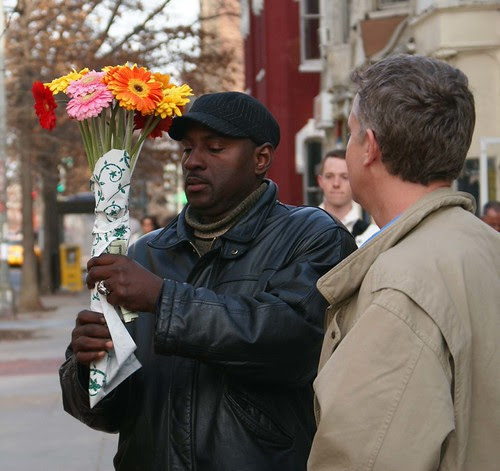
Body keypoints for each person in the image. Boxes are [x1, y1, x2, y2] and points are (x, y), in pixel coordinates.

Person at [59, 91, 357, 470]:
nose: (193, 161)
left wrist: (163, 300)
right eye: (187, 149)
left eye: (214, 148)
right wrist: (90, 365)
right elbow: (108, 415)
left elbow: (295, 343)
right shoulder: (146, 252)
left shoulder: (312, 235)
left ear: (261, 159)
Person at [308, 55, 500, 470]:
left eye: (352, 134)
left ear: (370, 148)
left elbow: (367, 456)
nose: (350, 147)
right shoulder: (486, 244)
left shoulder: (400, 283)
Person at [316, 149, 378, 245]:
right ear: (320, 181)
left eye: (344, 177)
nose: (336, 184)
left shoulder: (372, 234)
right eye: (329, 176)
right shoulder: (305, 228)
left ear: (354, 180)